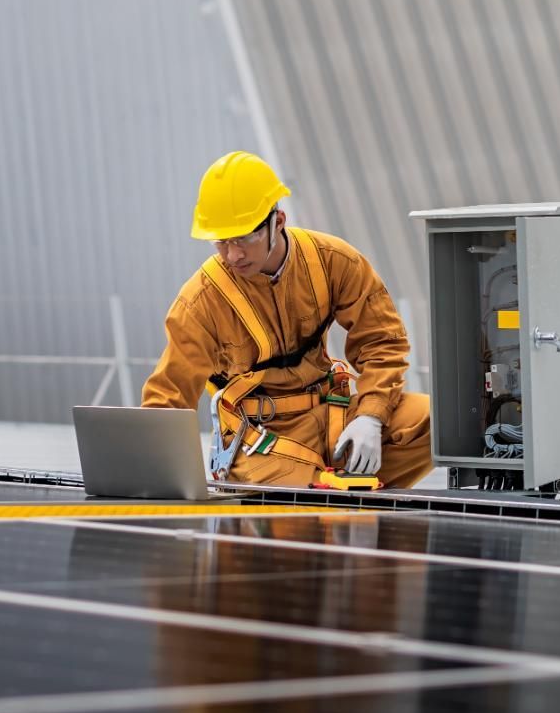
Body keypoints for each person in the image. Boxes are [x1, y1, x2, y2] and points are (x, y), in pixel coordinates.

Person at [142, 150, 432, 489]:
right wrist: (150, 472)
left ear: (278, 221)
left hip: (334, 415)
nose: (232, 255)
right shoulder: (201, 302)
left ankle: (345, 484)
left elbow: (382, 342)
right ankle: (339, 487)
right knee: (296, 492)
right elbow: (169, 396)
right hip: (260, 441)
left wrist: (370, 415)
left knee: (439, 423)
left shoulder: (333, 262)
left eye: (244, 237)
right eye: (220, 241)